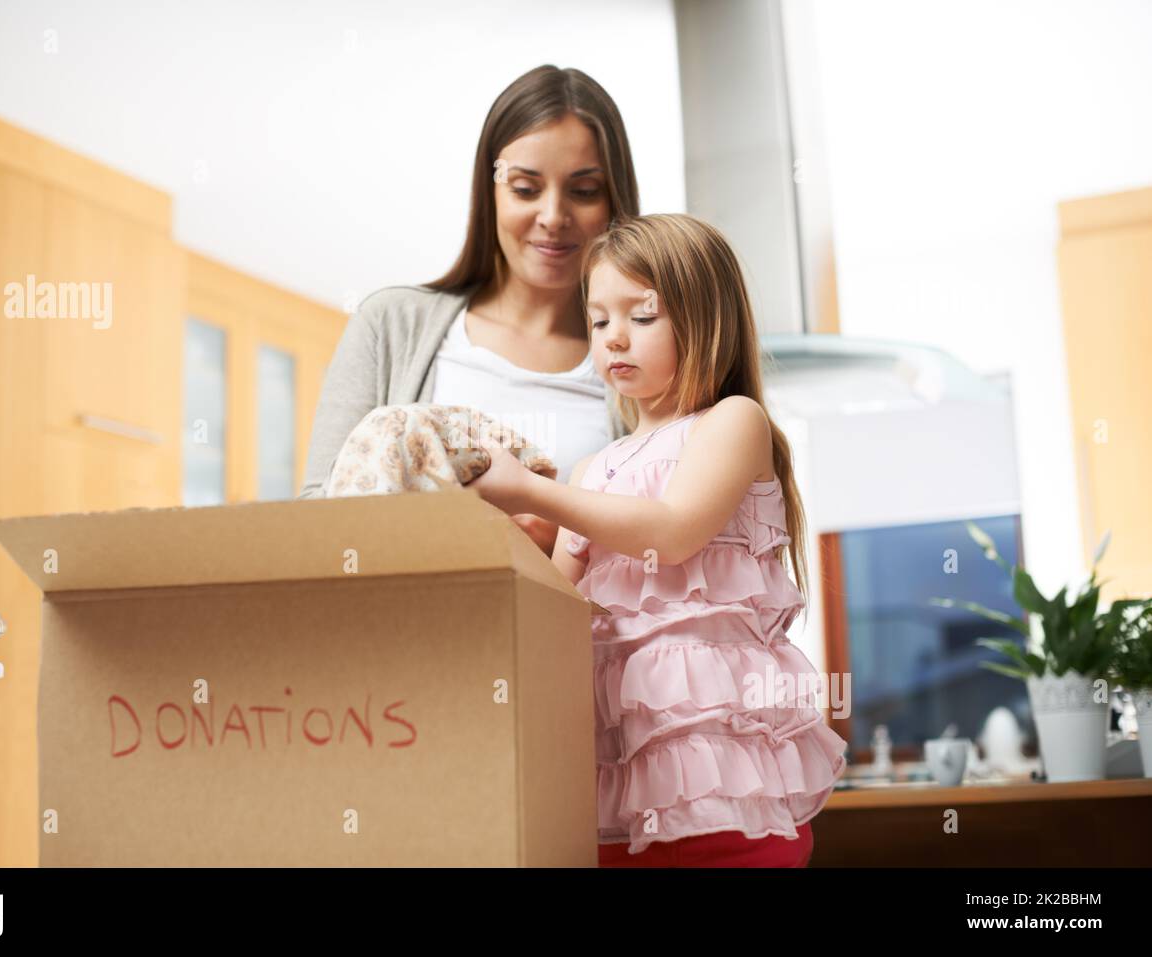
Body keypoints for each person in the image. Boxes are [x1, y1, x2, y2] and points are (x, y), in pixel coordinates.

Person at [466, 213, 849, 867]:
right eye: (599, 319)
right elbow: (557, 611)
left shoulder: (732, 423)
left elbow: (672, 533)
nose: (614, 337)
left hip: (733, 788)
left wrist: (539, 496)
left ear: (705, 318)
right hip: (620, 791)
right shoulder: (595, 471)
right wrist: (501, 532)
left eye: (641, 315)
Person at [298, 64, 641, 557]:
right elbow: (318, 513)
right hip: (414, 628)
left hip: (573, 634)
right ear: (490, 191)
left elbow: (670, 547)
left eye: (584, 191)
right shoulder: (390, 325)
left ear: (615, 200)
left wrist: (562, 548)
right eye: (525, 188)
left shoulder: (644, 354)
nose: (553, 217)